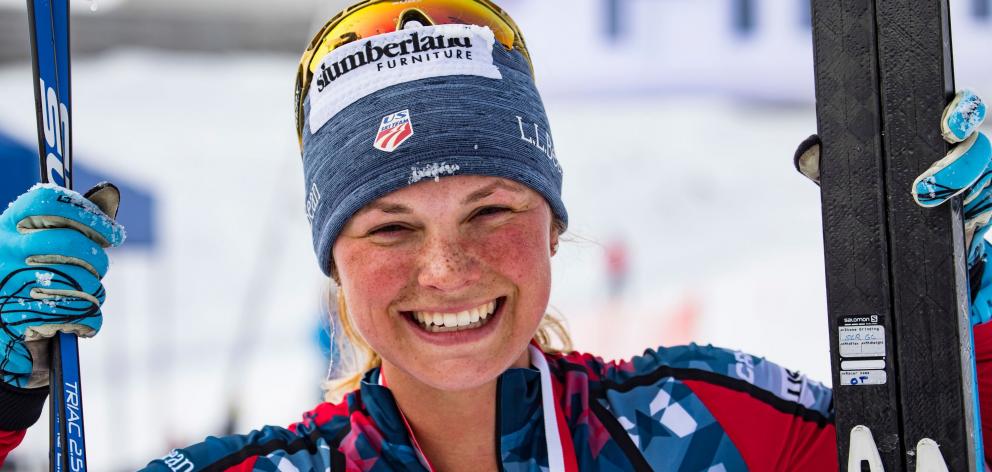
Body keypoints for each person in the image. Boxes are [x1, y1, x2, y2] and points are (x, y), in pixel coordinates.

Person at [1, 1, 991, 470]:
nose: (446, 268)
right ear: (334, 270)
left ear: (552, 223)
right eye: (389, 225)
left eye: (490, 210)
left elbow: (934, 454)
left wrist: (976, 332)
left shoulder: (700, 429)